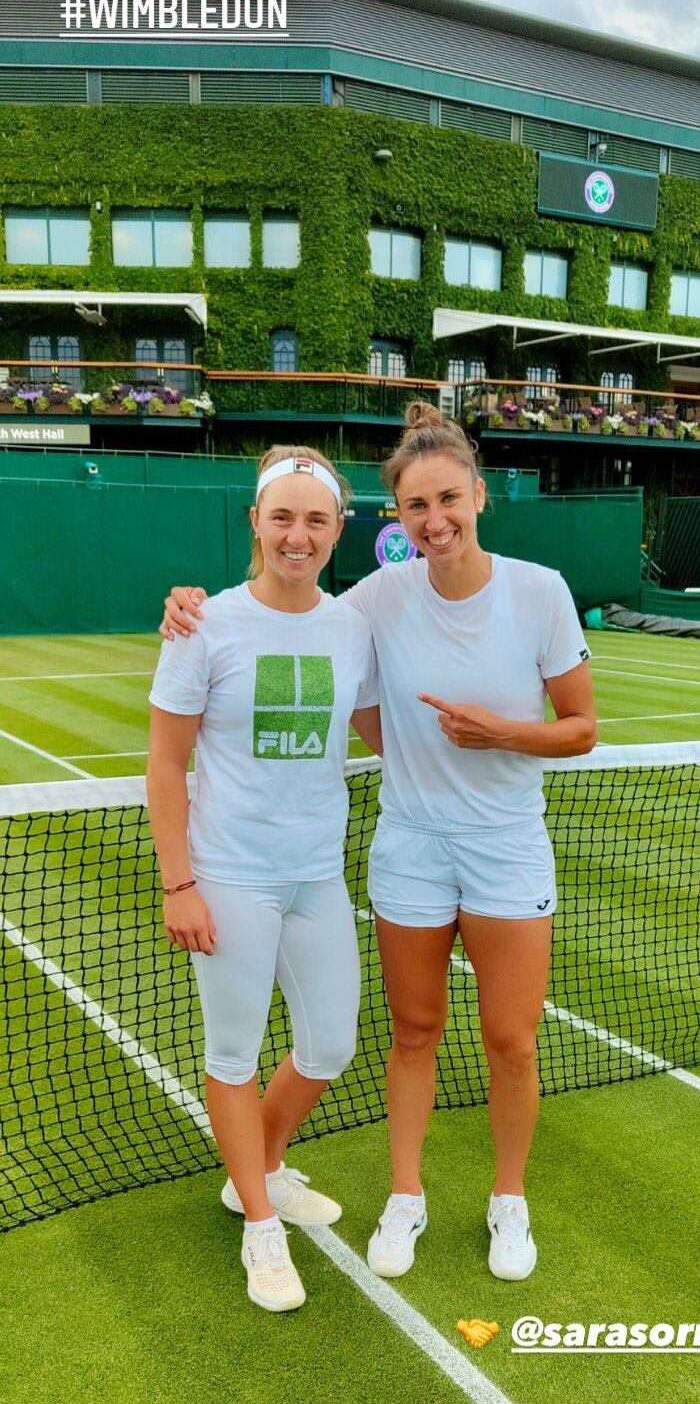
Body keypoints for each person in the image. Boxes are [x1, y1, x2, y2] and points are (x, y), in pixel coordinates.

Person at [161, 402, 596, 1284]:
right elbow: (293, 653)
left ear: (478, 494)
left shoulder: (526, 591)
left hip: (490, 848)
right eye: (414, 507)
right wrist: (183, 603)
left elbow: (580, 727)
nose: (434, 520)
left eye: (449, 499)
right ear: (394, 519)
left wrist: (500, 736)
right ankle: (378, 1200)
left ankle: (503, 1199)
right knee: (409, 1032)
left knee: (496, 1041)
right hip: (394, 849)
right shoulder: (360, 603)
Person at [147, 445, 381, 1313]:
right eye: (281, 516)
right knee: (233, 1054)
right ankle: (259, 1223)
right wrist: (180, 884)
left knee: (331, 1046)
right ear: (255, 522)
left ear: (337, 531)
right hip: (230, 876)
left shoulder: (352, 626)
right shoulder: (205, 624)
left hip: (317, 873)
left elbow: (380, 729)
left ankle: (262, 1168)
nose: (297, 534)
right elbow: (166, 764)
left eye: (315, 519)